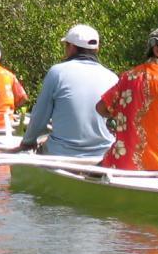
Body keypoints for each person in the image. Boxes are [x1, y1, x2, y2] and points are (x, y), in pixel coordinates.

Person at [96, 26, 158, 171]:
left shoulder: (128, 77)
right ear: (157, 51)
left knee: (92, 170)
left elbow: (101, 108)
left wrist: (121, 117)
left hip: (121, 165)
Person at [17, 23, 118, 160]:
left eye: (66, 46)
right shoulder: (112, 77)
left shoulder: (57, 72)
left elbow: (40, 115)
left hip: (63, 154)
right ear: (97, 49)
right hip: (103, 154)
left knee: (43, 140)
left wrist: (27, 142)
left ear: (71, 47)